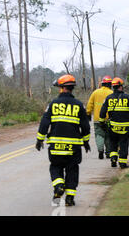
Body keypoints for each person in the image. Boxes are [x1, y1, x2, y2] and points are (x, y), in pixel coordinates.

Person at [35, 74, 91, 206]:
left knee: (55, 167)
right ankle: (70, 198)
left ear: (61, 88)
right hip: (73, 147)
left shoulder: (53, 104)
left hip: (56, 145)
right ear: (72, 88)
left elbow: (44, 123)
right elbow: (85, 126)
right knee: (72, 170)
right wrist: (86, 141)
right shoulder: (79, 105)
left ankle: (59, 186)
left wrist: (39, 139)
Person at [99, 77, 129, 169]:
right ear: (120, 87)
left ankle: (113, 158)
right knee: (123, 144)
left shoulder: (108, 98)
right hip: (125, 127)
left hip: (113, 127)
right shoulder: (128, 97)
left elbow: (102, 112)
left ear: (113, 87)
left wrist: (102, 123)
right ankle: (122, 163)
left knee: (113, 143)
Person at [86, 75, 113, 159]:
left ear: (102, 84)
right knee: (108, 136)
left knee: (99, 135)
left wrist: (88, 114)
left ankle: (100, 150)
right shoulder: (112, 93)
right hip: (109, 119)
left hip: (97, 119)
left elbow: (89, 104)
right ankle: (108, 153)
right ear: (110, 84)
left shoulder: (95, 92)